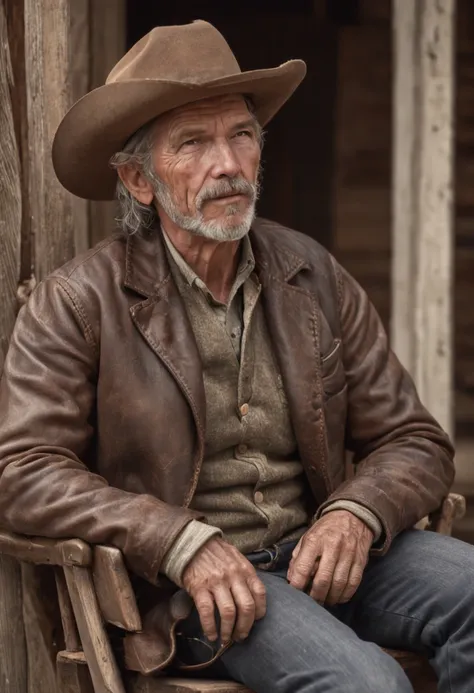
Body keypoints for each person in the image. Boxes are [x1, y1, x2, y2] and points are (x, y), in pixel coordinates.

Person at [0, 19, 472, 693]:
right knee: (367, 685)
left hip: (325, 556)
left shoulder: (311, 271)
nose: (227, 165)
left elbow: (413, 437)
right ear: (138, 180)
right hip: (201, 594)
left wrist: (354, 512)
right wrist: (177, 540)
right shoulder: (77, 301)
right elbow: (22, 471)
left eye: (241, 135)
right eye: (193, 143)